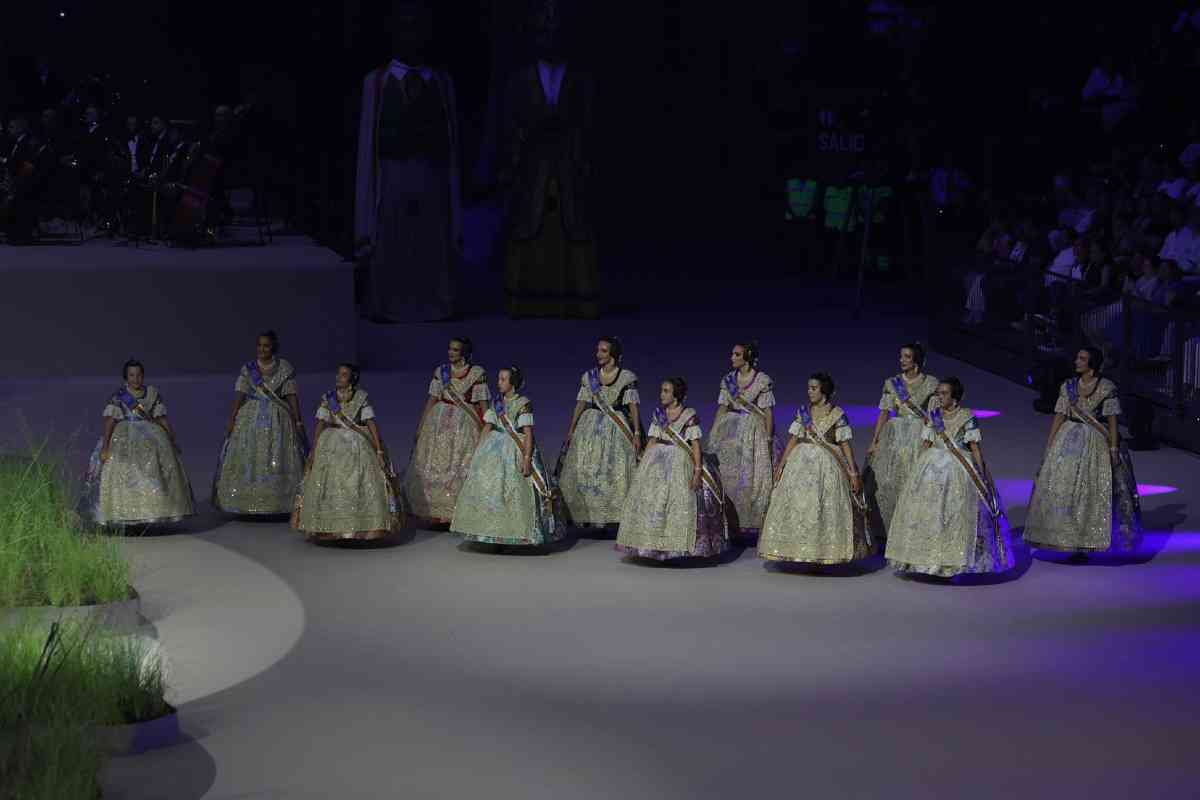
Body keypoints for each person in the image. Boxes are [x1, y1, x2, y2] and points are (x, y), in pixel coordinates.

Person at [355, 0, 462, 322]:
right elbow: (368, 146)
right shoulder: (376, 82)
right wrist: (364, 218)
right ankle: (387, 304)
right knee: (393, 241)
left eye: (418, 25)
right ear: (392, 31)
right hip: (392, 179)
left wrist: (455, 210)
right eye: (404, 25)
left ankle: (435, 302)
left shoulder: (441, 82)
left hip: (432, 178)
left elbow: (452, 146)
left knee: (430, 241)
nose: (411, 33)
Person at [500, 0, 598, 318]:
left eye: (556, 25)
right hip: (533, 168)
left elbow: (588, 123)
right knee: (530, 226)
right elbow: (510, 123)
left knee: (573, 227)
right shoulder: (520, 78)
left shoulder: (581, 78)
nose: (550, 32)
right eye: (543, 26)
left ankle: (577, 298)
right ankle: (526, 299)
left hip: (569, 165)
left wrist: (582, 157)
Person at [885, 377, 1018, 578]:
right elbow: (927, 443)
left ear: (955, 398)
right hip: (931, 466)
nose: (939, 397)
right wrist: (917, 469)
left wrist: (982, 475)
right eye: (938, 393)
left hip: (959, 469)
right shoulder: (934, 416)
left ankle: (954, 561)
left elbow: (975, 448)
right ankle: (927, 560)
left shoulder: (967, 417)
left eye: (944, 393)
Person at [1024, 348, 1143, 557]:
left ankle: (1088, 538)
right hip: (1069, 438)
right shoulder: (1068, 386)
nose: (1076, 361)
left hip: (1095, 442)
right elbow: (1059, 416)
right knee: (1064, 486)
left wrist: (1113, 448)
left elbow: (1112, 421)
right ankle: (1064, 536)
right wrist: (1050, 445)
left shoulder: (1106, 387)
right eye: (1077, 357)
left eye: (1082, 359)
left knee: (1090, 490)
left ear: (1092, 364)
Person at [757, 373, 872, 566]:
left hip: (827, 465)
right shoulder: (803, 412)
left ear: (823, 390)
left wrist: (853, 472)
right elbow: (793, 440)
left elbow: (845, 444)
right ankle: (796, 548)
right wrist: (782, 465)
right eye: (809, 388)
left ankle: (823, 550)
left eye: (814, 388)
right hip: (800, 462)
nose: (809, 392)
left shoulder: (837, 414)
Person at [615, 377, 729, 561]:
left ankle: (675, 546)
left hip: (680, 460)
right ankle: (649, 544)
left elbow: (695, 445)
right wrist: (643, 463)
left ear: (676, 395)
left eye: (666, 391)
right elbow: (652, 440)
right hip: (658, 458)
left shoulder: (688, 415)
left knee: (677, 500)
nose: (661, 394)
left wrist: (697, 471)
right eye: (662, 390)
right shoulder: (659, 414)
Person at [451, 366, 564, 547]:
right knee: (490, 487)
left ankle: (516, 532)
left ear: (513, 383)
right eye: (499, 379)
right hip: (493, 449)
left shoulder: (523, 403)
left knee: (514, 490)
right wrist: (478, 450)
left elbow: (528, 433)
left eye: (503, 379)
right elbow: (488, 426)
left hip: (515, 449)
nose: (499, 383)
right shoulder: (497, 402)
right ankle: (490, 531)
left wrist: (526, 458)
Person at [293, 364, 406, 542]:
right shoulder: (328, 398)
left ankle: (361, 526)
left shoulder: (361, 398)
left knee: (360, 479)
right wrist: (314, 450)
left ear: (352, 380)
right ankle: (330, 527)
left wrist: (378, 449)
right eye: (338, 373)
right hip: (331, 443)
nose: (339, 377)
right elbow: (320, 424)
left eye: (344, 374)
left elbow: (370, 423)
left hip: (358, 443)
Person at [80, 360, 195, 527]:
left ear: (143, 376)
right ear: (126, 377)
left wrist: (171, 438)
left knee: (155, 471)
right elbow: (110, 422)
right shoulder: (119, 396)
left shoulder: (152, 394)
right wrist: (105, 447)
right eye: (131, 375)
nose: (136, 379)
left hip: (151, 436)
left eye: (139, 375)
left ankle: (152, 511)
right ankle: (124, 512)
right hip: (124, 436)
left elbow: (161, 418)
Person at [212, 331, 308, 515]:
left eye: (266, 346)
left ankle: (277, 501)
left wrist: (298, 420)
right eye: (259, 345)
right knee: (250, 454)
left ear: (273, 348)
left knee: (276, 454)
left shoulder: (284, 368)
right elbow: (240, 395)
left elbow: (291, 395)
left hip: (278, 419)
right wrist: (232, 419)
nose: (262, 349)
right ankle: (246, 500)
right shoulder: (249, 369)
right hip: (251, 416)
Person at [556, 336, 641, 529]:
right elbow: (580, 404)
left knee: (615, 469)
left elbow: (633, 406)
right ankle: (588, 515)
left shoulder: (627, 377)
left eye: (603, 350)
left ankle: (614, 517)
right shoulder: (589, 377)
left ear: (613, 354)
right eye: (598, 350)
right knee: (587, 467)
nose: (598, 354)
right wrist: (571, 429)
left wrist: (636, 433)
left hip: (616, 428)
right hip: (590, 426)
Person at [404, 337, 489, 524]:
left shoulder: (476, 373)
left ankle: (456, 511)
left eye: (456, 350)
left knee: (459, 463)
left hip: (464, 425)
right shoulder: (440, 371)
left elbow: (483, 404)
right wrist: (421, 426)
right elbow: (431, 400)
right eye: (450, 349)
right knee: (435, 462)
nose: (451, 352)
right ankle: (434, 511)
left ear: (464, 352)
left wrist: (487, 428)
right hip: (438, 424)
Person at [863, 342, 938, 536]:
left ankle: (913, 531)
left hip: (919, 435)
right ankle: (887, 531)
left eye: (907, 356)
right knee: (887, 482)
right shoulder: (892, 383)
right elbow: (884, 413)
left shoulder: (931, 383)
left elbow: (934, 415)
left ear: (916, 361)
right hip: (895, 435)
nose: (901, 360)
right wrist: (875, 440)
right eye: (901, 356)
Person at [703, 342, 777, 536]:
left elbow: (768, 412)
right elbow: (722, 408)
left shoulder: (761, 380)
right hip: (729, 429)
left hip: (752, 431)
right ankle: (728, 520)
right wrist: (714, 432)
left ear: (747, 357)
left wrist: (769, 438)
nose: (732, 358)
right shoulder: (728, 380)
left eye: (737, 355)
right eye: (732, 354)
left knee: (748, 475)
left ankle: (748, 521)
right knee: (727, 473)